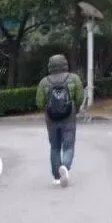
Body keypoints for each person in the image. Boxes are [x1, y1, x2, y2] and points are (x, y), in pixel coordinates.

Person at [35, 54, 85, 187]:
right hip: (69, 117)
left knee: (55, 147)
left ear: (50, 66)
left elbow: (39, 102)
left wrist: (48, 109)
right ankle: (65, 166)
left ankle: (57, 177)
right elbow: (80, 97)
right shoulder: (74, 78)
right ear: (65, 64)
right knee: (68, 145)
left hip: (51, 119)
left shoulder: (44, 82)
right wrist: (75, 108)